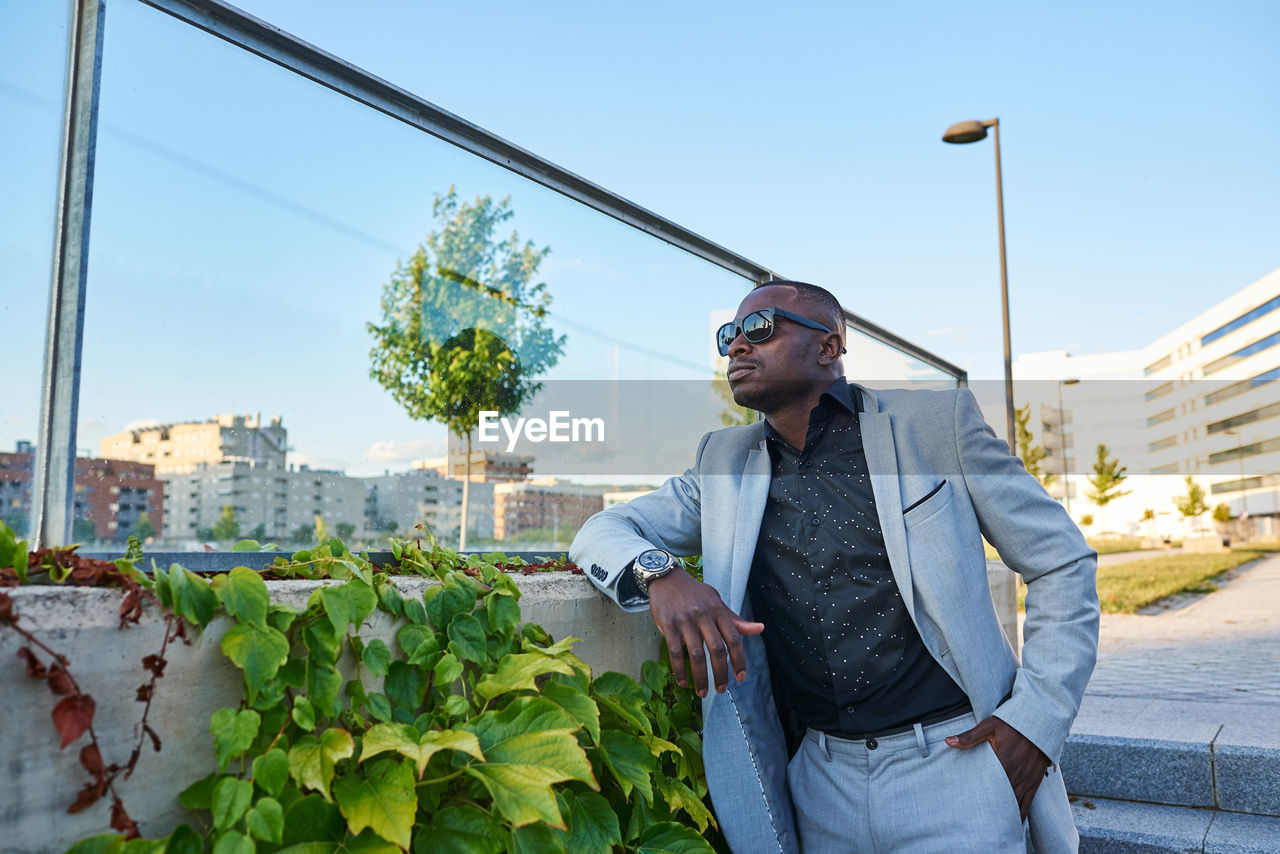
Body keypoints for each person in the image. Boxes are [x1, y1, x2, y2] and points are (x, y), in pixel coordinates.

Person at [570, 281, 1098, 853]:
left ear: (830, 346)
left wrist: (1036, 722)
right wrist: (661, 575)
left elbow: (1062, 561)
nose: (736, 347)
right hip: (819, 783)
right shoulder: (723, 461)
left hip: (956, 764)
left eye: (760, 328)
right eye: (729, 335)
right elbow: (601, 530)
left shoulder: (934, 425)